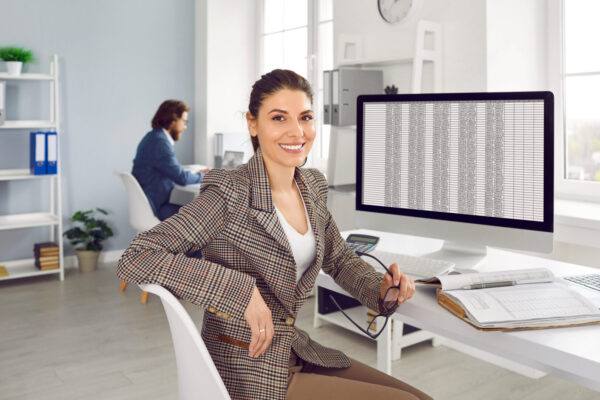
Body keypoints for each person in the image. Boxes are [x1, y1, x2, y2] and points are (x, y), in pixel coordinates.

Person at [117, 70, 432, 400]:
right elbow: (138, 256)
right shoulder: (230, 193)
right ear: (253, 124)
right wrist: (241, 292)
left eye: (305, 117)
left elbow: (339, 260)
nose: (297, 131)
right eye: (279, 118)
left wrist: (380, 290)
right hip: (247, 367)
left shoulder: (312, 185)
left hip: (294, 350)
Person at [132, 99, 209, 221]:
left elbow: (174, 172)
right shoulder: (159, 142)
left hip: (153, 203)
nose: (185, 127)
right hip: (156, 208)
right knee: (203, 217)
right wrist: (208, 176)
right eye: (184, 121)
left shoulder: (153, 137)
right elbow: (182, 178)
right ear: (173, 120)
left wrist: (195, 175)